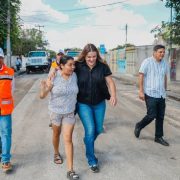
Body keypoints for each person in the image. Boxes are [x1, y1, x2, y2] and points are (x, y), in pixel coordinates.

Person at [75, 43, 117, 173]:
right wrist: (53, 72)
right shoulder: (78, 66)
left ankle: (88, 140)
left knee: (98, 129)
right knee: (90, 129)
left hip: (99, 103)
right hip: (83, 103)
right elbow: (62, 67)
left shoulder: (102, 66)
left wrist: (113, 96)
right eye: (89, 57)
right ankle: (92, 160)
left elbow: (110, 81)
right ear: (84, 56)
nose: (91, 59)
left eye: (93, 56)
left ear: (97, 56)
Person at [40, 56, 79, 179]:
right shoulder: (53, 76)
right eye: (70, 65)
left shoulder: (74, 76)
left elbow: (81, 58)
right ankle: (56, 153)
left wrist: (56, 67)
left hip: (69, 112)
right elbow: (42, 96)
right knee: (56, 134)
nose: (73, 67)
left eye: (73, 65)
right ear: (62, 66)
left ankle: (70, 170)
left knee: (68, 139)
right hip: (55, 112)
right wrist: (45, 87)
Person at [134, 44, 169, 146]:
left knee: (160, 116)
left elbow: (165, 76)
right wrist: (141, 91)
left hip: (161, 94)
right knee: (151, 115)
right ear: (154, 52)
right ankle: (139, 125)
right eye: (160, 52)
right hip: (150, 93)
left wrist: (165, 89)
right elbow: (141, 75)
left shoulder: (164, 63)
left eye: (163, 52)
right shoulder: (147, 62)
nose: (162, 54)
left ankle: (158, 137)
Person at [0, 48, 15, 172]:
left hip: (5, 110)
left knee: (5, 134)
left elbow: (12, 89)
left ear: (2, 58)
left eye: (0, 57)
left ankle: (5, 160)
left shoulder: (9, 72)